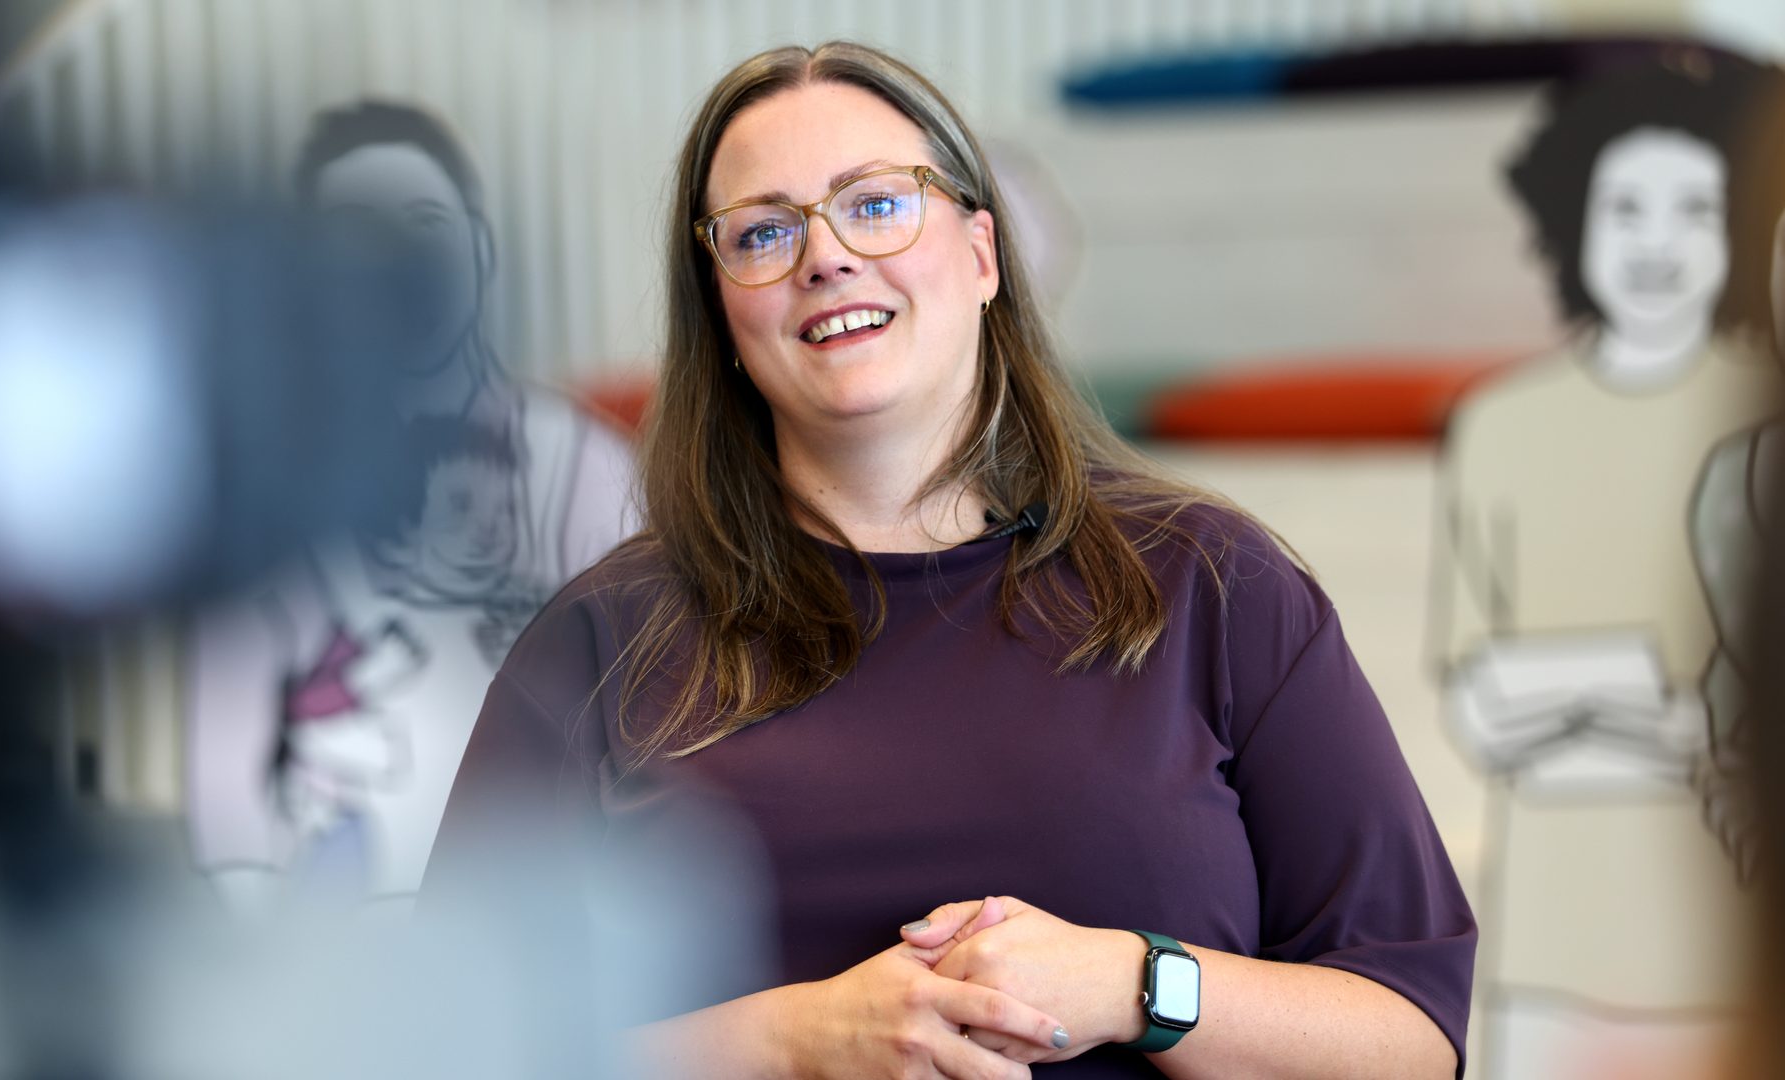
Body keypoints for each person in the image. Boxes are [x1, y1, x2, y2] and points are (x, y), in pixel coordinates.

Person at [426, 42, 1472, 1079]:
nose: (825, 256)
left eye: (875, 204)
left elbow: (1414, 1034)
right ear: (722, 311)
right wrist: (790, 1043)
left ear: (982, 256)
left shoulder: (1212, 586)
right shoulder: (604, 639)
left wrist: (1134, 986)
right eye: (763, 232)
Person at [187, 101, 635, 914]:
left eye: (419, 227)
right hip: (329, 925)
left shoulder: (577, 464)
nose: (383, 275)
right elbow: (228, 753)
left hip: (535, 900)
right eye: (348, 237)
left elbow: (657, 694)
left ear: (479, 249)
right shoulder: (265, 487)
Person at [1428, 53, 1777, 1077]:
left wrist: (1575, 702)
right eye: (1628, 208)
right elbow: (1479, 705)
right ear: (1577, 217)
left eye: (1694, 210)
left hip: (1735, 937)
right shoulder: (1499, 426)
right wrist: (1664, 704)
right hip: (1548, 938)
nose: (1657, 244)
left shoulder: (1766, 415)